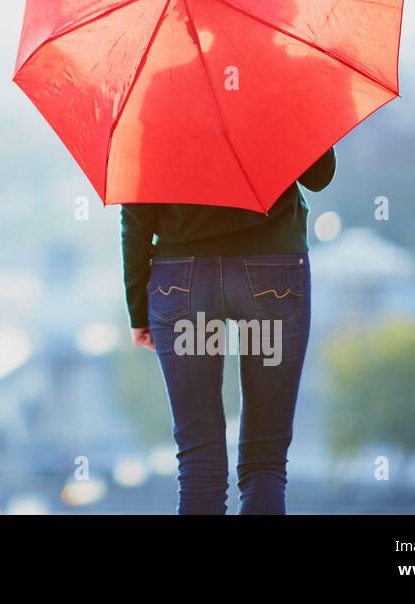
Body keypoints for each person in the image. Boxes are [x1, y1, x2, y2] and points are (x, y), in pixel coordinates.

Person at [120, 146, 336, 515]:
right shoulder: (274, 87)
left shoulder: (155, 95)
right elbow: (319, 176)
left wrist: (139, 310)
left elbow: (136, 213)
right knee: (265, 462)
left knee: (198, 465)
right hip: (271, 272)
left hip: (183, 282)